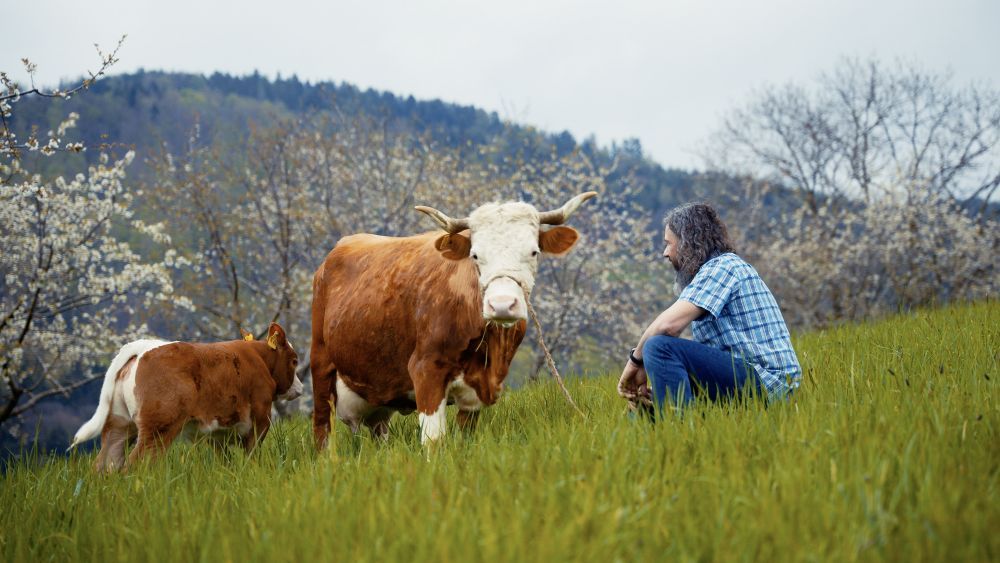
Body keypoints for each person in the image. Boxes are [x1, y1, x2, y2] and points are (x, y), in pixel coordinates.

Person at [617, 202, 801, 414]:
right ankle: (663, 437)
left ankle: (680, 435)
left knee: (659, 346)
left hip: (769, 382)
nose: (665, 253)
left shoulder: (723, 267)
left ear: (687, 242)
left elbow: (668, 326)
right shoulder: (715, 271)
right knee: (643, 408)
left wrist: (635, 362)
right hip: (749, 378)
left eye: (669, 243)